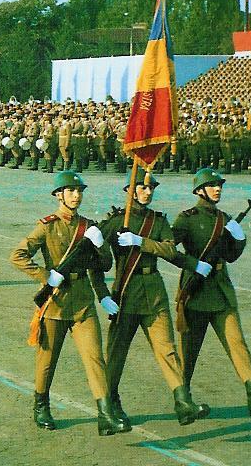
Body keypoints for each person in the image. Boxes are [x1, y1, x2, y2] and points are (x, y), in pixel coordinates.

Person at [10, 171, 128, 435]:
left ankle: (105, 415)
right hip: (56, 303)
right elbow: (17, 255)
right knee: (47, 360)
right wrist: (45, 275)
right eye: (71, 191)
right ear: (58, 195)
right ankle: (41, 407)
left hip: (83, 302)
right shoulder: (47, 226)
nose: (76, 195)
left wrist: (100, 245)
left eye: (79, 191)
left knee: (95, 358)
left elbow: (103, 265)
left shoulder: (88, 226)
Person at [98, 169, 209, 427]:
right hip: (126, 293)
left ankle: (183, 402)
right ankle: (110, 404)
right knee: (116, 354)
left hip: (154, 294)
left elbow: (169, 250)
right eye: (143, 187)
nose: (148, 192)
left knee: (166, 349)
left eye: (151, 188)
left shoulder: (157, 221)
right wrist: (102, 294)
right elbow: (94, 258)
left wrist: (140, 241)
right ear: (129, 190)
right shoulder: (116, 222)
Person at [172, 168, 251, 416]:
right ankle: (183, 401)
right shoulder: (186, 219)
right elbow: (169, 249)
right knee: (188, 352)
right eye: (212, 185)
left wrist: (239, 239)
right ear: (199, 190)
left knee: (237, 343)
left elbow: (231, 256)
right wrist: (193, 264)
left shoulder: (224, 218)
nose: (218, 189)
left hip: (221, 290)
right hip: (196, 293)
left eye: (219, 185)